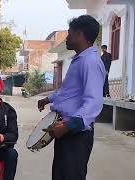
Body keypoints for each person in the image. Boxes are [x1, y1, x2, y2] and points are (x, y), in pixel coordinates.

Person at [38, 15, 106, 180]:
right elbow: (69, 91)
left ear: (80, 35)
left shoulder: (90, 62)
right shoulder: (79, 60)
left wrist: (68, 126)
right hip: (65, 130)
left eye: (69, 33)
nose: (67, 38)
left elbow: (94, 103)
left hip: (76, 133)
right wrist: (49, 99)